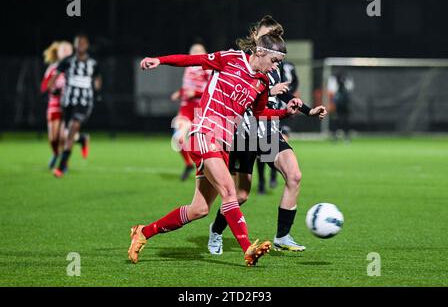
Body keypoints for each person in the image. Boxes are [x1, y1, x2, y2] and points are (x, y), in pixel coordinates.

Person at [129, 28, 303, 267]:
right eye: (274, 61)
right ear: (261, 52)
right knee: (230, 192)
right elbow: (194, 60)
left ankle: (143, 232)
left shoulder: (261, 82)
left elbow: (260, 112)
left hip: (224, 143)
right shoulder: (231, 59)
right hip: (204, 132)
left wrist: (285, 112)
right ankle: (247, 249)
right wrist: (160, 60)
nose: (275, 68)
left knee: (199, 209)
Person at [207, 15, 327, 255]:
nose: (273, 39)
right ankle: (216, 232)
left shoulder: (275, 64)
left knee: (294, 175)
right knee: (240, 195)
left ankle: (283, 236)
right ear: (257, 36)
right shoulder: (240, 60)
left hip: (270, 132)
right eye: (269, 34)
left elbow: (283, 95)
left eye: (276, 36)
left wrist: (308, 110)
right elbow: (239, 94)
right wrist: (268, 90)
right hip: (245, 133)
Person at [48, 33, 102, 177]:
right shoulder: (67, 61)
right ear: (75, 45)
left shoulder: (93, 64)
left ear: (87, 45)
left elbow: (98, 79)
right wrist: (52, 87)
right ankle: (82, 139)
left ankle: (62, 166)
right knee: (67, 134)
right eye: (78, 43)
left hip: (84, 102)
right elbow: (53, 77)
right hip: (68, 102)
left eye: (83, 43)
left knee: (73, 127)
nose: (80, 46)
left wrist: (97, 88)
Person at [256, 60, 300, 193]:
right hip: (269, 112)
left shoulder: (287, 66)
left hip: (285, 112)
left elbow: (296, 83)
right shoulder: (263, 65)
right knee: (263, 151)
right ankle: (262, 181)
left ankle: (274, 175)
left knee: (280, 145)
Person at [170, 42, 211, 181]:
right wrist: (180, 92)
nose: (195, 53)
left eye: (198, 51)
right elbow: (187, 87)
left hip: (200, 109)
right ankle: (188, 164)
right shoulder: (188, 67)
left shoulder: (207, 67)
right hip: (186, 108)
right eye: (193, 51)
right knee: (178, 138)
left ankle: (204, 169)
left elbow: (211, 89)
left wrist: (195, 93)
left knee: (198, 144)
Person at [40, 41, 73, 169]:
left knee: (63, 136)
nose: (66, 52)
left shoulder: (73, 67)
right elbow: (44, 86)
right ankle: (55, 153)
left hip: (66, 106)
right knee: (53, 138)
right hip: (53, 106)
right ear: (58, 53)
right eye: (63, 50)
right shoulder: (53, 69)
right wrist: (52, 90)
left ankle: (64, 162)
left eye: (68, 49)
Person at [329, 72, 353, 142]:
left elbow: (350, 89)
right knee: (337, 120)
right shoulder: (335, 83)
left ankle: (346, 136)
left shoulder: (347, 81)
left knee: (345, 120)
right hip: (338, 105)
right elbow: (332, 91)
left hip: (345, 104)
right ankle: (335, 135)